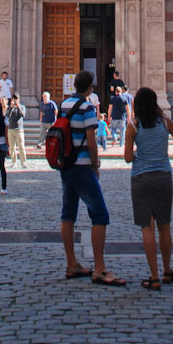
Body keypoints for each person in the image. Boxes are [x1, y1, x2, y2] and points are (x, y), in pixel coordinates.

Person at [59, 70, 125, 286]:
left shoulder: (63, 106)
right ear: (89, 88)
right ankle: (100, 268)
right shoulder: (87, 108)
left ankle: (71, 263)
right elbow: (91, 139)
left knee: (68, 215)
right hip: (83, 167)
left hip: (66, 166)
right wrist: (95, 165)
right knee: (100, 215)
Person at [124, 86, 173, 290]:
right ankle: (167, 270)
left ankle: (154, 276)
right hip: (163, 177)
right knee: (164, 226)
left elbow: (127, 158)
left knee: (147, 227)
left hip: (141, 178)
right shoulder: (165, 122)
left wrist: (137, 151)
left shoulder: (134, 125)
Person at [6, 93, 27, 167]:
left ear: (19, 100)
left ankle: (23, 162)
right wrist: (11, 108)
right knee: (12, 147)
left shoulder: (22, 107)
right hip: (11, 129)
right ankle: (14, 162)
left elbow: (23, 114)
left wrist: (18, 107)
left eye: (16, 99)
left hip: (19, 129)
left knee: (21, 146)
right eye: (14, 99)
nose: (15, 101)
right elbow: (7, 116)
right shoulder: (9, 108)